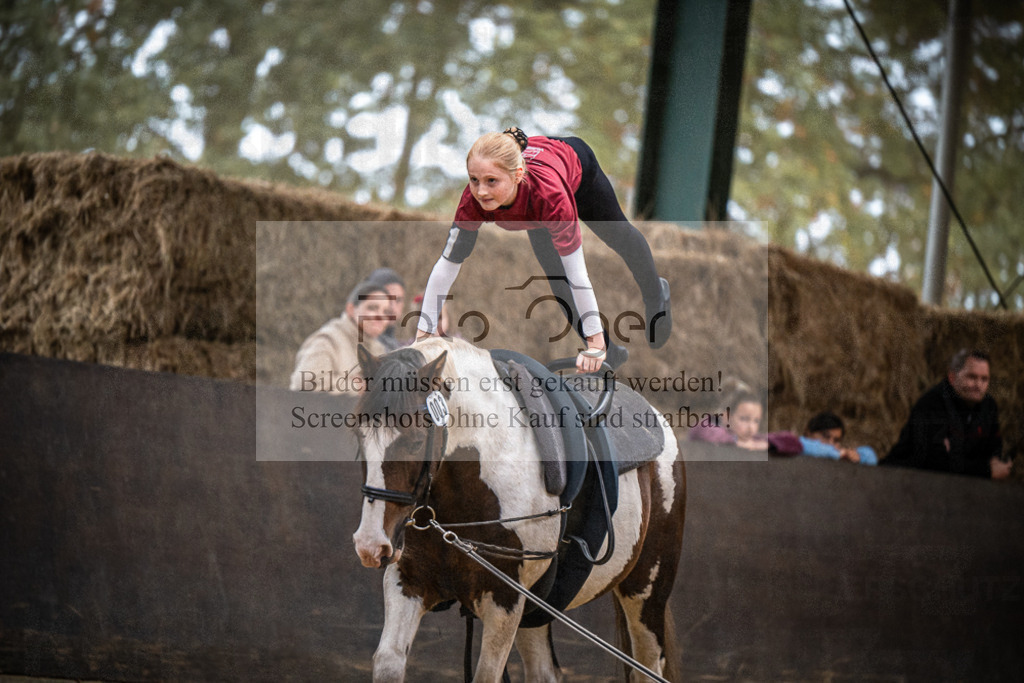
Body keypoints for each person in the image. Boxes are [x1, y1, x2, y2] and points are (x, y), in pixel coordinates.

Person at [415, 127, 671, 373]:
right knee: (558, 284)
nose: (481, 191)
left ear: (517, 175)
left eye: (491, 181)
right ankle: (611, 353)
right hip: (536, 201)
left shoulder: (551, 200)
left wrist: (594, 345)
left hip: (576, 172)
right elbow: (446, 267)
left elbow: (578, 277)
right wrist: (423, 336)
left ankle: (655, 293)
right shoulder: (472, 203)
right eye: (474, 180)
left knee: (618, 237)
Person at [882, 349, 1010, 479]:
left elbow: (994, 451)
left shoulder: (989, 407)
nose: (978, 385)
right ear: (952, 377)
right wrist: (985, 471)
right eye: (971, 377)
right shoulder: (931, 405)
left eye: (984, 379)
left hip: (957, 487)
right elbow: (934, 462)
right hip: (902, 480)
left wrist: (992, 462)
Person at [289, 281, 390, 395]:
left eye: (386, 312)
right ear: (351, 309)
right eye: (372, 308)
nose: (380, 317)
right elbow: (304, 384)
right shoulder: (327, 341)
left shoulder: (379, 350)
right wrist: (356, 386)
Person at [688, 388, 802, 454]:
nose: (751, 427)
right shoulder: (708, 426)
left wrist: (769, 445)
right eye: (744, 419)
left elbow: (793, 441)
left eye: (756, 421)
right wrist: (735, 442)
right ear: (727, 417)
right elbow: (703, 430)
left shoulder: (752, 439)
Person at [800, 411, 878, 466]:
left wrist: (856, 457)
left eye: (836, 440)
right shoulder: (797, 445)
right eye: (825, 436)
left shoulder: (836, 456)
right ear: (808, 433)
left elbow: (870, 456)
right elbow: (803, 444)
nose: (830, 443)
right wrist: (838, 454)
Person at [365, 267, 407, 352]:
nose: (393, 308)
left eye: (398, 300)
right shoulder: (361, 343)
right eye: (387, 299)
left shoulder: (395, 345)